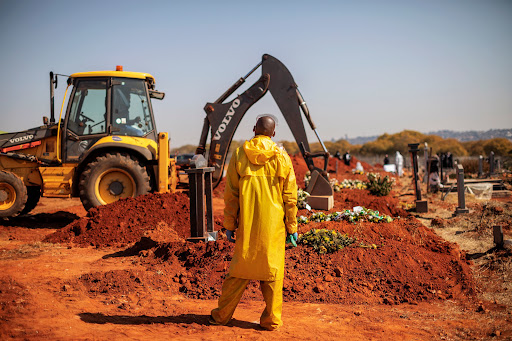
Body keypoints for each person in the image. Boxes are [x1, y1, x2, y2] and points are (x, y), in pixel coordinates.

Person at [210, 115, 298, 331]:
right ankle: (271, 321)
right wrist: (292, 227)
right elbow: (290, 197)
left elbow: (230, 194)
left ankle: (221, 316)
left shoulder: (240, 154)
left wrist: (229, 224)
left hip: (247, 226)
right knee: (272, 274)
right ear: (274, 133)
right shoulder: (282, 157)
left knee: (239, 271)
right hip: (273, 227)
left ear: (253, 129)